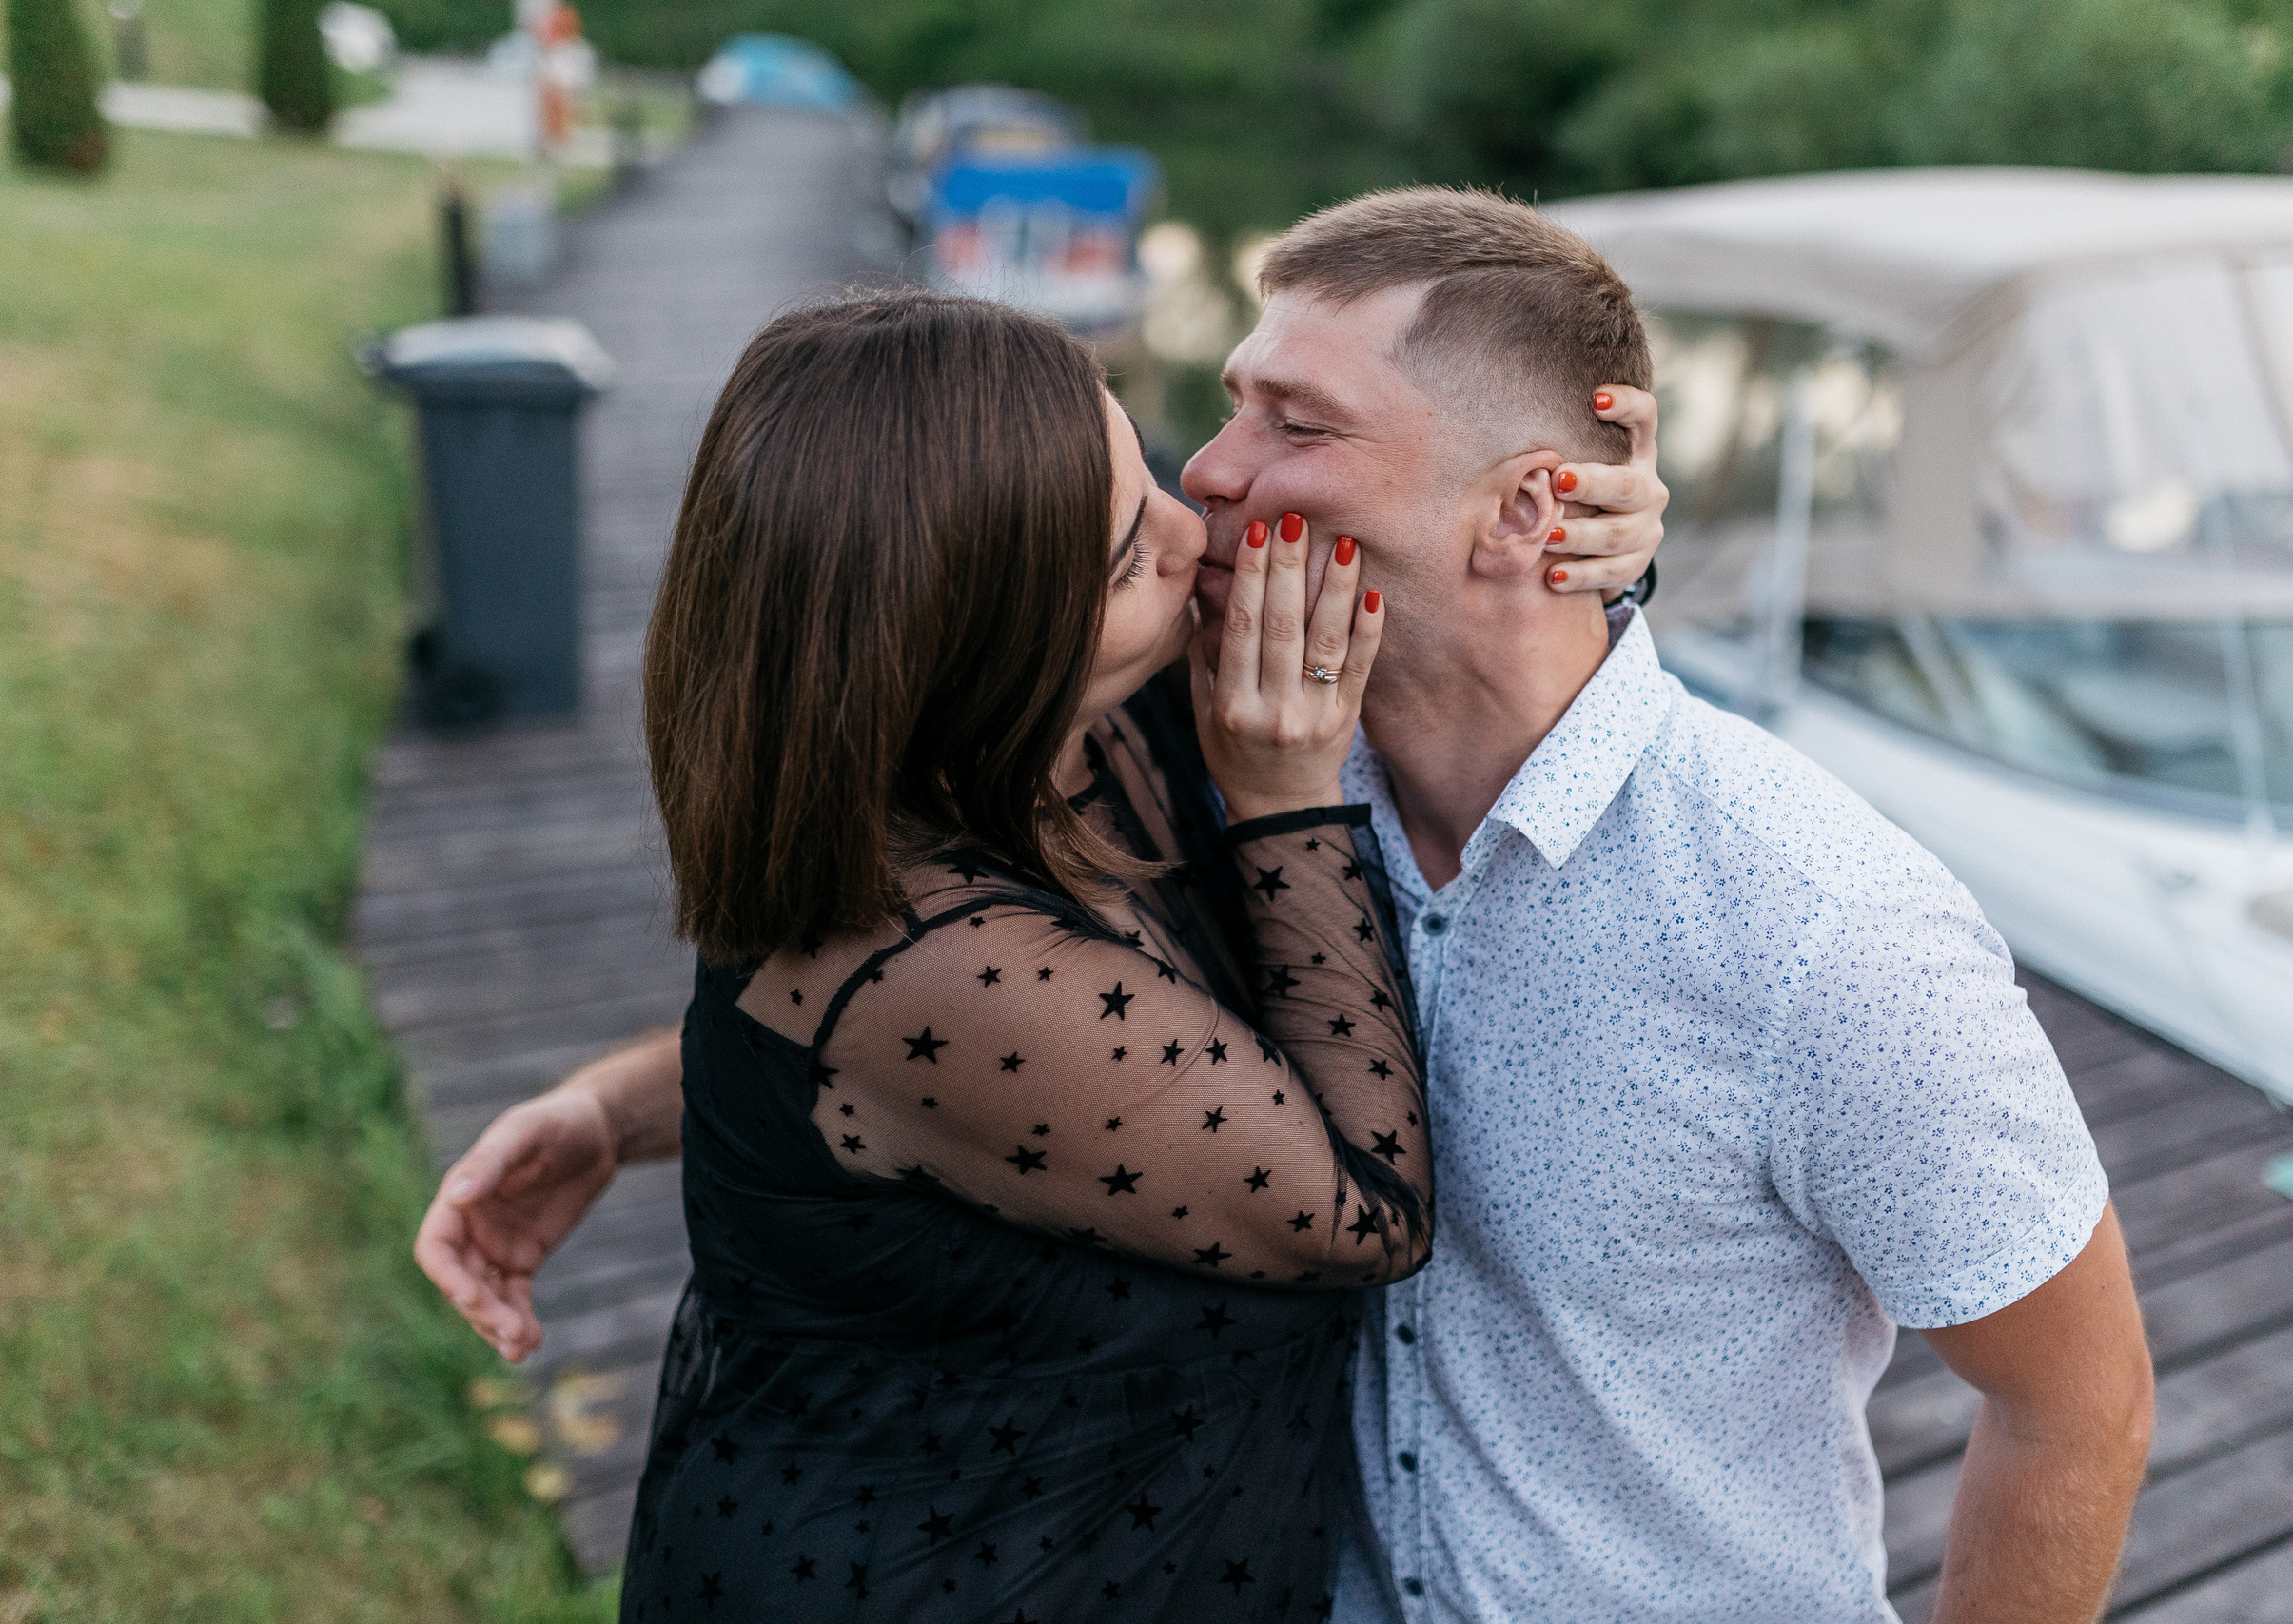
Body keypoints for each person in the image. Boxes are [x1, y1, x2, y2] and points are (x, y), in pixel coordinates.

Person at [411, 286, 1650, 1620]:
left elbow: (835, 1065)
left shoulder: (1039, 733)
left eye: (1142, 469)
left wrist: (1565, 541)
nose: (1190, 528)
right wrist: (1287, 801)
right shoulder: (932, 950)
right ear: (976, 653)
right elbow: (1368, 1210)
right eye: (1122, 560)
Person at [1177, 186, 2155, 1624]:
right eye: (1233, 406)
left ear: (1529, 507)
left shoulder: (1826, 925)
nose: (1207, 471)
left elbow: (2077, 1408)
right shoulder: (1225, 782)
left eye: (1296, 425)